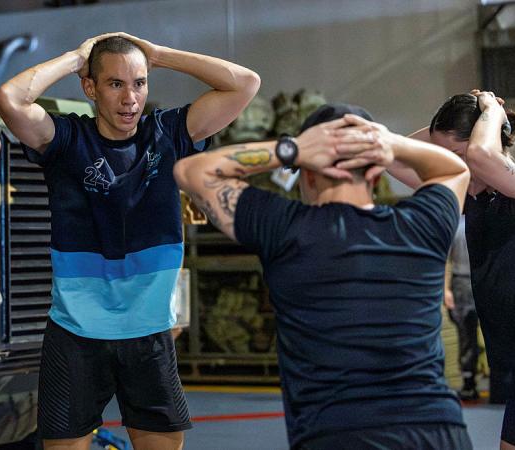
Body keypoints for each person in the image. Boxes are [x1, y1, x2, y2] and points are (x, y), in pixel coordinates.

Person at [0, 33, 260, 450]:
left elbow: (244, 84)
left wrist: (159, 55)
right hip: (75, 334)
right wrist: (76, 57)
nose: (130, 98)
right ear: (90, 87)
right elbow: (9, 99)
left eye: (139, 83)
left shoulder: (168, 132)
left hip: (149, 332)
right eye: (115, 83)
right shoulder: (67, 139)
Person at [174, 104, 471, 449]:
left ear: (309, 174)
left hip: (337, 434)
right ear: (376, 174)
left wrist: (292, 149)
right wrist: (389, 143)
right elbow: (455, 170)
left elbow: (192, 170)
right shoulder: (422, 224)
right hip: (439, 430)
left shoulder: (286, 229)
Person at [392, 90, 515, 450]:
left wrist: (490, 109)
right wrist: (450, 119)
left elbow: (482, 155)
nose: (452, 165)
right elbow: (394, 153)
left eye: (457, 155)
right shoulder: (470, 195)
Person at [445, 215, 480, 401]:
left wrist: (445, 289)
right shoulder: (475, 223)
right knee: (468, 333)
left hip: (463, 280)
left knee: (466, 334)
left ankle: (469, 381)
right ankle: (471, 379)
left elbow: (445, 261)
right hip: (474, 278)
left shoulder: (456, 225)